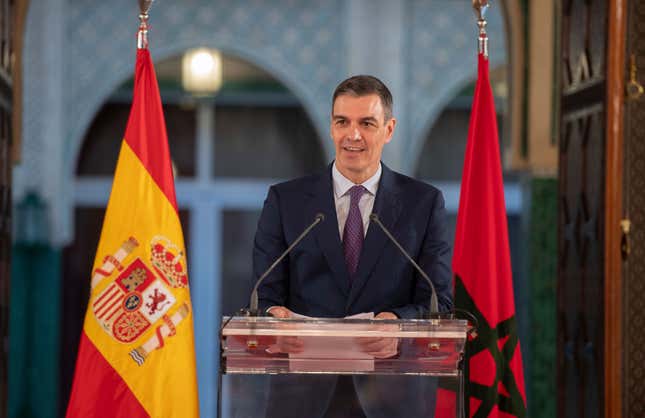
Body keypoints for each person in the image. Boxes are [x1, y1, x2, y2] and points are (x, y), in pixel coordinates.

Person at [252, 75, 452, 418]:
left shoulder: (423, 203)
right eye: (342, 122)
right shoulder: (286, 200)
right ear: (331, 127)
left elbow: (439, 303)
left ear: (388, 130)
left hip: (390, 396)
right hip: (303, 397)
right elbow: (263, 297)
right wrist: (273, 320)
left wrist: (398, 324)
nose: (352, 135)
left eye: (367, 123)